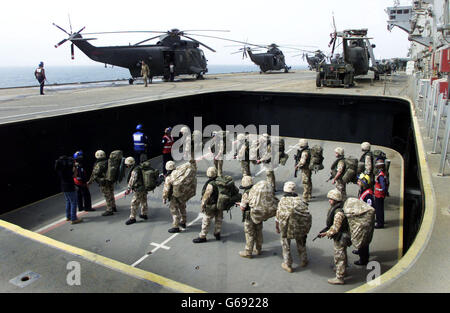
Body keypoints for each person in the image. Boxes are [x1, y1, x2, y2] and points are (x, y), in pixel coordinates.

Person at [276, 181, 311, 273]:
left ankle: (288, 264)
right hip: (299, 227)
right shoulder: (300, 201)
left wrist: (277, 227)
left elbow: (278, 216)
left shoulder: (282, 201)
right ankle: (304, 260)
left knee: (285, 245)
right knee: (301, 243)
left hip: (285, 227)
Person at [318, 189, 351, 285]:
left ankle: (340, 277)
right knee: (342, 254)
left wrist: (326, 234)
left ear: (336, 200)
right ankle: (342, 270)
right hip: (341, 235)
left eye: (331, 199)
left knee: (339, 256)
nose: (329, 201)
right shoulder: (338, 208)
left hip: (340, 237)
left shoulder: (338, 213)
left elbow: (335, 228)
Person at [193, 167, 222, 243]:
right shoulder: (221, 181)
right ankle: (217, 233)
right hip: (220, 204)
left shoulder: (210, 184)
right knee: (218, 219)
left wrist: (202, 205)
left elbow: (206, 196)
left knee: (206, 220)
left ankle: (203, 236)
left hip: (211, 206)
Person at [238, 175, 263, 258]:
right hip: (258, 214)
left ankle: (248, 251)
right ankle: (258, 248)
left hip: (249, 215)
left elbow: (243, 207)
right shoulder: (257, 190)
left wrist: (239, 204)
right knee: (259, 231)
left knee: (250, 233)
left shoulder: (246, 193)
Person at [87, 150, 117, 216]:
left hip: (103, 182)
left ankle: (109, 210)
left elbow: (94, 174)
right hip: (110, 181)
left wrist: (89, 182)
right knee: (111, 193)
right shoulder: (108, 162)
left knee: (107, 195)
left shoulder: (98, 164)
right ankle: (113, 206)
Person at [55, 155, 82, 224]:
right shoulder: (67, 170)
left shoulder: (61, 170)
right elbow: (74, 175)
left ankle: (68, 216)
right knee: (74, 202)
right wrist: (75, 167)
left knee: (68, 201)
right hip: (70, 187)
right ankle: (74, 218)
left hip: (64, 187)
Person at [353, 173, 374, 265]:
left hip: (365, 220)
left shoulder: (368, 195)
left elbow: (369, 209)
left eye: (359, 181)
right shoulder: (362, 191)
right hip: (360, 218)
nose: (357, 182)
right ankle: (360, 250)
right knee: (360, 238)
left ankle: (363, 259)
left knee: (363, 238)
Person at [162, 161, 187, 233]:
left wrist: (164, 198)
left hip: (174, 196)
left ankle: (176, 227)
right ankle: (183, 222)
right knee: (182, 208)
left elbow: (166, 190)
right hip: (182, 195)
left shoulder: (169, 177)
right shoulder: (180, 174)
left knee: (174, 211)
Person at [124, 157, 148, 225]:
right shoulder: (140, 167)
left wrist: (128, 189)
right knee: (144, 201)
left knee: (134, 203)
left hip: (138, 189)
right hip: (144, 187)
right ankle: (144, 214)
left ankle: (132, 218)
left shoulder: (135, 170)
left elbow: (132, 181)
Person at [374, 158, 387, 228]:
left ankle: (380, 223)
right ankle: (380, 220)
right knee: (380, 208)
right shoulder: (382, 173)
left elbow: (383, 186)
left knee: (379, 209)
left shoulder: (381, 175)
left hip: (379, 195)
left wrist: (382, 192)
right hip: (380, 194)